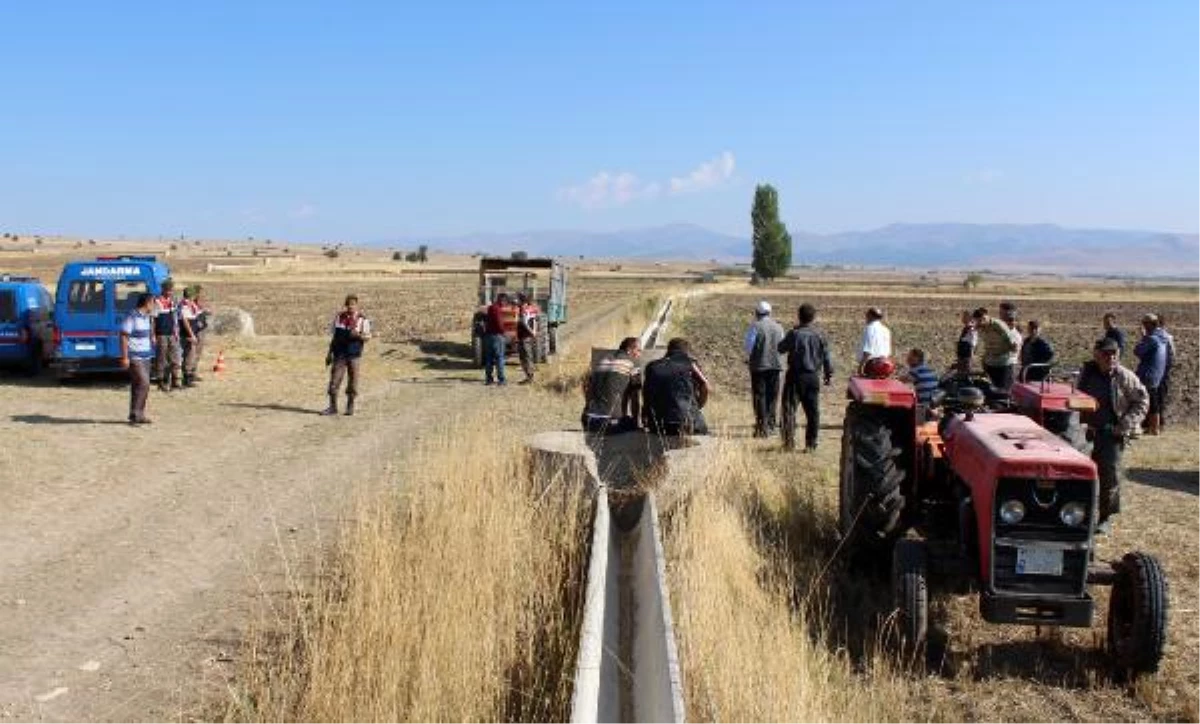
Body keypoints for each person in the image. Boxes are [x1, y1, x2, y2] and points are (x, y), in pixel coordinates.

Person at [1077, 338, 1148, 527]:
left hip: (1112, 433)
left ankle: (1105, 517)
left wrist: (1124, 425)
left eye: (1114, 353)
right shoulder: (1087, 374)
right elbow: (1076, 398)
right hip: (1087, 433)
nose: (1111, 357)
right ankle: (1078, 515)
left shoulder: (1125, 377)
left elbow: (1142, 402)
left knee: (1110, 476)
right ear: (1096, 354)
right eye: (1107, 353)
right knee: (1081, 475)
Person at [777, 303, 833, 451]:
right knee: (813, 412)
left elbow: (780, 348)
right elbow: (827, 357)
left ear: (799, 316)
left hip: (795, 376)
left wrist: (792, 333)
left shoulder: (794, 334)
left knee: (789, 410)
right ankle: (811, 444)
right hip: (812, 377)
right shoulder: (820, 335)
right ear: (813, 318)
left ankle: (788, 443)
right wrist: (828, 374)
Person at [642, 338, 710, 436]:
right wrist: (698, 406)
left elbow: (646, 393)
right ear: (686, 351)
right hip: (687, 423)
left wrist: (645, 415)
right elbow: (705, 385)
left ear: (668, 350)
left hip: (658, 425)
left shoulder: (652, 366)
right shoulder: (691, 363)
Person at [322, 294, 372, 416]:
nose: (351, 307)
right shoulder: (339, 318)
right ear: (346, 305)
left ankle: (350, 406)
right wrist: (329, 354)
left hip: (354, 355)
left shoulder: (362, 320)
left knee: (353, 382)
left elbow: (368, 337)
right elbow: (334, 336)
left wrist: (358, 335)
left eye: (353, 304)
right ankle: (333, 407)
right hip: (339, 354)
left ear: (357, 305)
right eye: (349, 304)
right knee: (334, 381)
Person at [581, 337, 642, 433]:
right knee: (630, 423)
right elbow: (635, 397)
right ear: (629, 350)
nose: (640, 354)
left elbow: (586, 387)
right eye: (638, 351)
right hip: (610, 423)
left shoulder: (602, 361)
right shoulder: (632, 364)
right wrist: (636, 422)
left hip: (589, 421)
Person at [744, 300, 785, 438]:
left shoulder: (754, 326)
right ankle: (771, 425)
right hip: (775, 366)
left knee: (759, 396)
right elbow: (782, 347)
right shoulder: (779, 327)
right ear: (770, 312)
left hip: (759, 366)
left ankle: (762, 427)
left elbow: (749, 347)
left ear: (756, 313)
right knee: (772, 396)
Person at [120, 293, 155, 425]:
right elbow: (123, 336)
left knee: (138, 385)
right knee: (144, 383)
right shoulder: (132, 317)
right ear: (146, 303)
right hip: (135, 357)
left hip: (146, 356)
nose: (154, 305)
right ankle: (136, 414)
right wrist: (124, 357)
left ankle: (137, 413)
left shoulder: (147, 317)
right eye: (152, 302)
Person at [1133, 314, 1168, 436]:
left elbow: (1137, 351)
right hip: (1157, 374)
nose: (1143, 325)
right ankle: (1154, 427)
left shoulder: (1152, 338)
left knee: (1144, 400)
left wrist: (1143, 337)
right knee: (1153, 400)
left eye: (1144, 323)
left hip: (1147, 374)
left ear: (1150, 324)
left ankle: (1151, 428)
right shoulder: (1163, 336)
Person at [977, 301, 1021, 391]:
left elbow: (1014, 349)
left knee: (1003, 394)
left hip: (1005, 367)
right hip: (991, 364)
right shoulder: (995, 328)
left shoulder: (1013, 333)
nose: (1000, 316)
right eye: (1000, 313)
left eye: (1003, 313)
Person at [152, 279, 185, 392]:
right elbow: (153, 320)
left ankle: (176, 381)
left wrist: (176, 331)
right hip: (161, 334)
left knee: (175, 357)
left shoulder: (173, 302)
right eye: (168, 290)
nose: (170, 292)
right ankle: (161, 381)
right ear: (163, 290)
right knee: (161, 359)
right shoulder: (157, 302)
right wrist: (153, 335)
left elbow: (175, 318)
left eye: (171, 290)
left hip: (172, 333)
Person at [482, 292, 510, 386]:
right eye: (505, 302)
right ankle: (501, 380)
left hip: (488, 336)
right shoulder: (497, 309)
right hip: (497, 336)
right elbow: (499, 323)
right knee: (499, 358)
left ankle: (489, 379)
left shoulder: (490, 308)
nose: (505, 304)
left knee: (489, 358)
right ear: (502, 300)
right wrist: (504, 333)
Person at [179, 286, 202, 387]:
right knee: (189, 354)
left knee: (192, 354)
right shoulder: (184, 305)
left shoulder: (190, 304)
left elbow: (196, 314)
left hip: (193, 331)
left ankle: (189, 375)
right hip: (187, 334)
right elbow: (185, 321)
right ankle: (186, 378)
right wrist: (191, 334)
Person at [1158, 313, 1177, 431]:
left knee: (1160, 396)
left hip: (1162, 371)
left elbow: (1172, 355)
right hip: (1159, 371)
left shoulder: (1166, 337)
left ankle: (1160, 423)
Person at [515, 292, 538, 384]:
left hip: (524, 336)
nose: (517, 300)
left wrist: (531, 332)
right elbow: (535, 321)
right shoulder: (532, 308)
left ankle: (529, 378)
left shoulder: (522, 309)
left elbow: (524, 322)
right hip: (529, 336)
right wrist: (534, 332)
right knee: (529, 356)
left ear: (522, 300)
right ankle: (530, 376)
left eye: (518, 299)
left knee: (524, 357)